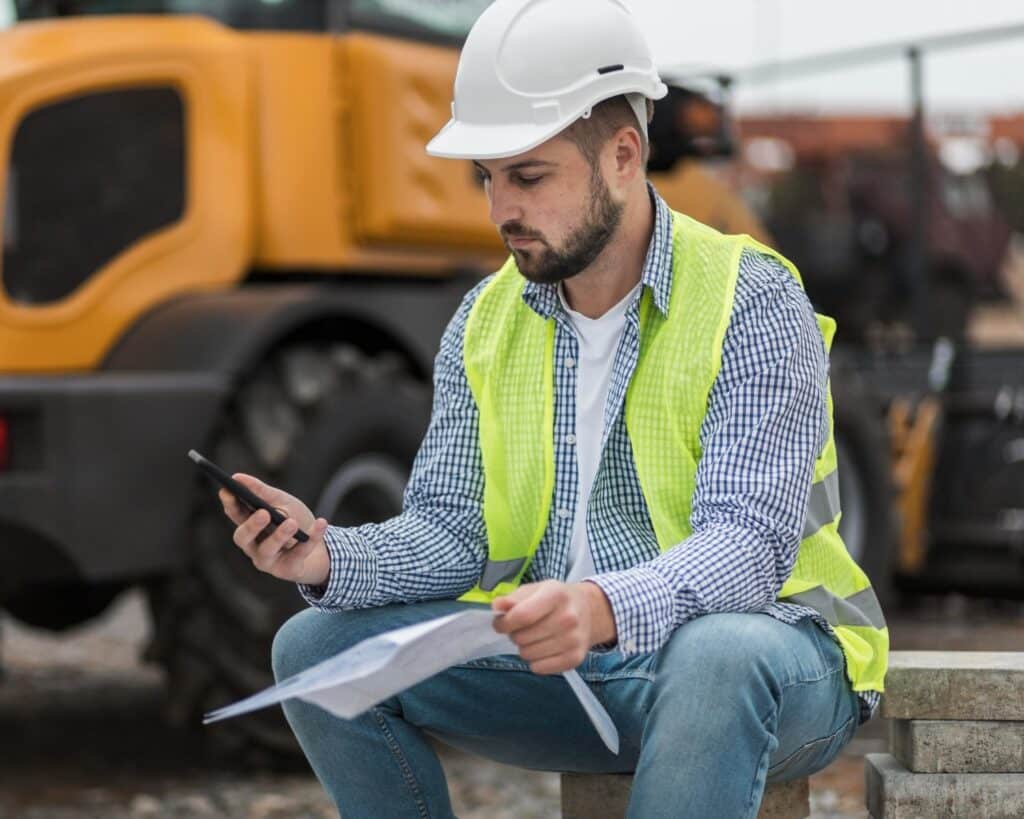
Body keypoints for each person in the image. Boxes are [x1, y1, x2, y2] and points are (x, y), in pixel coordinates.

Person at [219, 1, 888, 816]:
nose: (502, 210)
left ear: (623, 154)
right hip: (577, 678)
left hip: (775, 666)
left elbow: (746, 548)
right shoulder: (486, 319)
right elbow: (453, 530)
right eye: (489, 178)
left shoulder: (749, 297)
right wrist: (326, 556)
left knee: (718, 654)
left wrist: (601, 606)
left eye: (529, 176)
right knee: (315, 648)